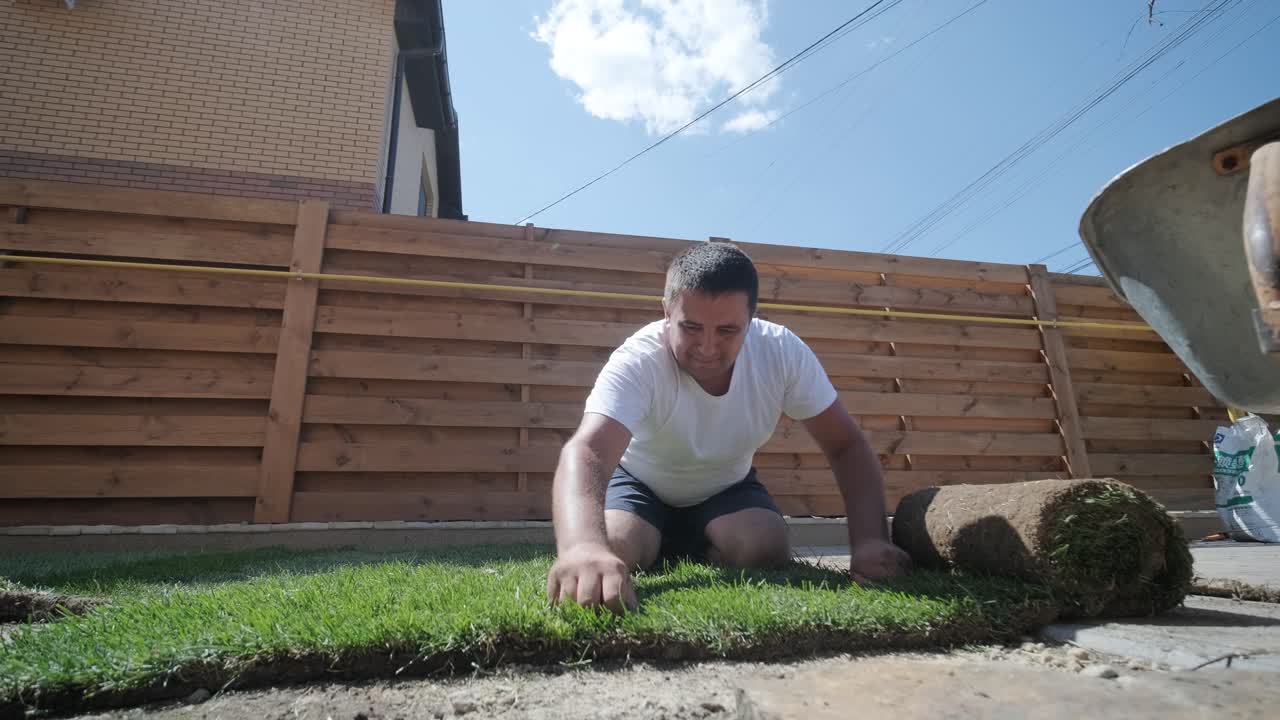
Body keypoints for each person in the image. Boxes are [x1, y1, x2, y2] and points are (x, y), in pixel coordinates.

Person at [545, 242, 913, 613]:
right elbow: (587, 450)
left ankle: (685, 541)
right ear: (666, 312)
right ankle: (651, 538)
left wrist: (870, 540)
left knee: (765, 547)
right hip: (641, 483)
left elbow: (845, 444)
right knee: (619, 543)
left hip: (727, 487)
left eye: (727, 330)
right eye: (690, 326)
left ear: (751, 322)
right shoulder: (638, 360)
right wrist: (582, 547)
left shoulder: (781, 353)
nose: (707, 347)